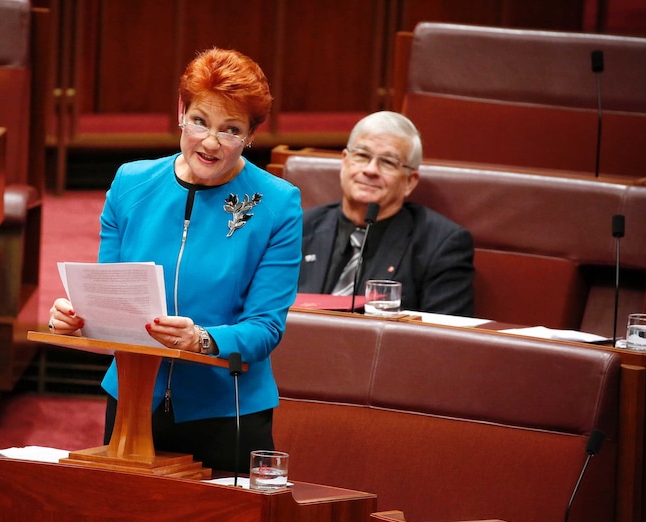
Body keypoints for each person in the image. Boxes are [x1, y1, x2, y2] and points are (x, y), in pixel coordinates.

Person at [49, 48, 303, 473]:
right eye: (200, 121)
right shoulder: (130, 183)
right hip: (132, 405)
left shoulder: (277, 204)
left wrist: (202, 339)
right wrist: (77, 318)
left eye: (230, 130)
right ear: (181, 111)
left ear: (251, 136)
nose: (209, 141)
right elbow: (109, 298)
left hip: (226, 411)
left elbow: (265, 328)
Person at [298, 111, 475, 316]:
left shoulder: (440, 245)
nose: (371, 170)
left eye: (388, 162)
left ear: (410, 181)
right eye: (362, 156)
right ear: (345, 161)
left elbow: (445, 339)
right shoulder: (300, 227)